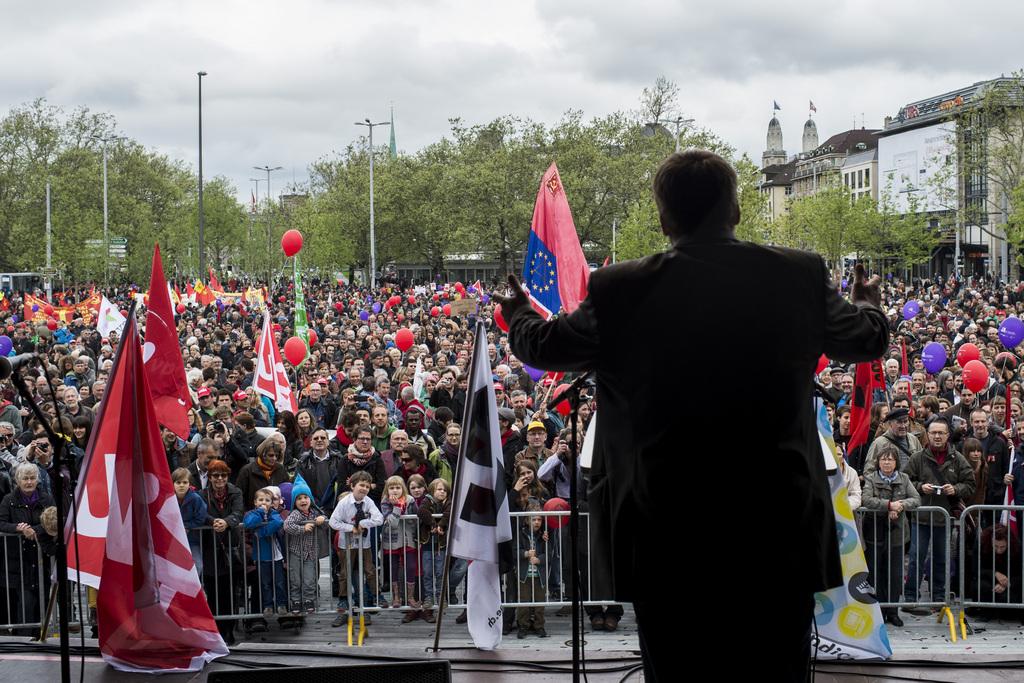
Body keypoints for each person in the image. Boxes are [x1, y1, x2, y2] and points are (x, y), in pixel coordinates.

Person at [496, 149, 889, 681]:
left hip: (667, 526)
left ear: (664, 218)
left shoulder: (622, 289)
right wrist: (867, 305)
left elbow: (544, 346)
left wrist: (517, 311)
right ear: (737, 211)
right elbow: (866, 340)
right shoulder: (797, 276)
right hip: (774, 522)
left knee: (677, 669)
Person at [901, 417, 976, 614]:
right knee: (916, 557)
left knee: (942, 559)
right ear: (928, 434)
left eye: (941, 433)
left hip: (945, 519)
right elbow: (904, 482)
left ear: (947, 435)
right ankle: (910, 598)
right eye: (933, 432)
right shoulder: (917, 458)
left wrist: (955, 489)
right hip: (921, 518)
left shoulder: (958, 458)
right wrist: (919, 487)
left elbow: (970, 485)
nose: (937, 436)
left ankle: (939, 597)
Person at [861, 447, 920, 627]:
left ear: (896, 462)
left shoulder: (904, 479)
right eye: (883, 459)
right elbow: (866, 499)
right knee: (875, 573)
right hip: (875, 533)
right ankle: (878, 610)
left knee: (894, 575)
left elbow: (916, 499)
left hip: (897, 534)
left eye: (890, 459)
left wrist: (900, 505)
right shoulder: (871, 478)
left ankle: (893, 611)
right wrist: (888, 505)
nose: (887, 462)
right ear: (878, 462)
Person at [0, 462, 55, 634]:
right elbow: (1, 523)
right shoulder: (8, 500)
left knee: (44, 600)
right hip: (19, 561)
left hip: (42, 558)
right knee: (24, 603)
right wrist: (17, 528)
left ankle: (43, 635)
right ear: (18, 480)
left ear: (37, 479)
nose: (29, 482)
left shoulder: (46, 498)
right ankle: (24, 637)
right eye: (25, 478)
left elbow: (53, 521)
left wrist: (33, 530)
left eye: (32, 478)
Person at [328, 470, 382, 627]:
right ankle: (344, 602)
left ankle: (372, 599)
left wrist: (364, 523)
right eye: (361, 485)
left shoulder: (368, 502)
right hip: (347, 544)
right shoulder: (344, 503)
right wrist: (350, 528)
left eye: (367, 486)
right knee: (345, 573)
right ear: (352, 486)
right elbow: (333, 522)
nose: (364, 488)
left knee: (368, 571)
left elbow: (378, 518)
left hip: (364, 544)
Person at [198, 459, 244, 644]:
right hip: (210, 548)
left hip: (230, 547)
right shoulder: (202, 495)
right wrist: (212, 522)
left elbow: (239, 512)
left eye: (223, 475)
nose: (219, 479)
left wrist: (227, 522)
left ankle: (229, 630)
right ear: (209, 477)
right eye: (215, 475)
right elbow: (200, 513)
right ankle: (216, 631)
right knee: (213, 592)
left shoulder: (236, 492)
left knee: (231, 593)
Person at [283, 478, 328, 614]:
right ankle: (295, 600)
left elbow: (326, 523)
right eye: (299, 498)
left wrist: (322, 519)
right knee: (295, 578)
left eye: (305, 497)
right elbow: (287, 525)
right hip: (295, 551)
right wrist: (303, 528)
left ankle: (309, 599)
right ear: (294, 502)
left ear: (311, 499)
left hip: (311, 552)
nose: (303, 501)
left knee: (310, 578)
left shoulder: (315, 512)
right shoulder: (295, 514)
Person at [243, 487, 288, 617]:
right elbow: (249, 523)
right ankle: (267, 605)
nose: (264, 502)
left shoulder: (274, 513)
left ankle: (281, 604)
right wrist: (260, 513)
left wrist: (261, 532)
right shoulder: (252, 514)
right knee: (265, 583)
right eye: (261, 500)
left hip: (277, 556)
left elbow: (278, 522)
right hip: (262, 557)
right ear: (255, 502)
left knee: (279, 582)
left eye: (267, 500)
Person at [380, 475, 418, 611]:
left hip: (408, 538)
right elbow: (393, 523)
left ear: (403, 489)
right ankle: (396, 596)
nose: (395, 491)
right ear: (387, 490)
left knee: (411, 566)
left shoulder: (410, 500)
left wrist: (405, 510)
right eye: (391, 488)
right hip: (392, 539)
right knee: (393, 567)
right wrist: (396, 507)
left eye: (398, 487)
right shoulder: (385, 502)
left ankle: (410, 597)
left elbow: (415, 519)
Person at [515, 510, 549, 639]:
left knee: (540, 602)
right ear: (527, 520)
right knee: (524, 601)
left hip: (539, 575)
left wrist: (539, 559)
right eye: (534, 519)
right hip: (525, 575)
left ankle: (539, 626)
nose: (536, 522)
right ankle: (523, 625)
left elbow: (549, 553)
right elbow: (514, 551)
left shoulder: (544, 536)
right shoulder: (521, 535)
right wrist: (525, 554)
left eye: (539, 520)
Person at [172, 467, 208, 577]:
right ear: (172, 483)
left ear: (189, 483)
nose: (181, 485)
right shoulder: (168, 497)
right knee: (175, 567)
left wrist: (186, 526)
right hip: (173, 539)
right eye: (178, 482)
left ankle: (194, 591)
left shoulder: (195, 498)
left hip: (192, 539)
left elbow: (201, 518)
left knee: (197, 565)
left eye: (185, 482)